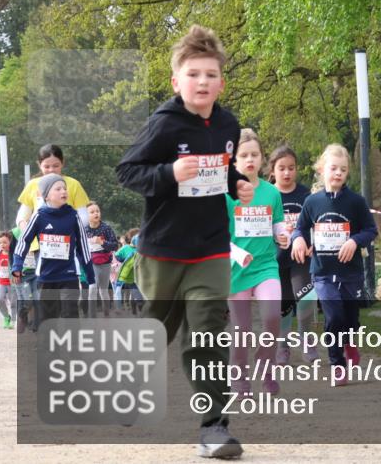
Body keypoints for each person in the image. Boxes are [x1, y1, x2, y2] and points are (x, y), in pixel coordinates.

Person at [116, 24, 253, 459]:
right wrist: (167, 174)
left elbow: (221, 172)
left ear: (221, 82)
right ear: (177, 81)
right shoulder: (163, 124)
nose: (202, 82)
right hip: (163, 250)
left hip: (211, 247)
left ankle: (214, 427)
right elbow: (127, 172)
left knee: (208, 333)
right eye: (193, 74)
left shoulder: (228, 124)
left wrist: (237, 185)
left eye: (210, 74)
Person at [291, 144, 377, 384]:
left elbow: (371, 230)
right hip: (322, 273)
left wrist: (354, 241)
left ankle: (349, 342)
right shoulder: (312, 202)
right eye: (333, 168)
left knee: (350, 318)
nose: (338, 173)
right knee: (334, 316)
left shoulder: (356, 202)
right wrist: (298, 240)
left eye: (343, 169)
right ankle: (337, 363)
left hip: (350, 273)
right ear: (322, 170)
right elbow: (300, 227)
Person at [226, 129, 287, 396]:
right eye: (244, 155)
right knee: (242, 329)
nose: (250, 159)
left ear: (262, 158)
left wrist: (283, 235)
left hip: (265, 266)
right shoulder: (227, 195)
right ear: (233, 160)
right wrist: (238, 254)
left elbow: (277, 224)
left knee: (272, 317)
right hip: (236, 270)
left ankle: (267, 367)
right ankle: (238, 377)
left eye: (254, 154)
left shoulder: (272, 193)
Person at [10, 173, 94, 321]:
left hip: (69, 275)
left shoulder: (73, 216)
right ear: (46, 196)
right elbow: (24, 241)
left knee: (70, 314)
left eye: (64, 188)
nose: (64, 191)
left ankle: (71, 343)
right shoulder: (39, 216)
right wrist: (17, 265)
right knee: (48, 317)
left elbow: (83, 245)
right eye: (58, 189)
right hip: (46, 275)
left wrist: (89, 272)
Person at [268, 145, 318, 364]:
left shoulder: (306, 195)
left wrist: (314, 243)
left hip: (301, 258)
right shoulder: (268, 194)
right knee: (283, 303)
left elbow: (317, 222)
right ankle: (283, 346)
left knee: (306, 297)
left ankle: (308, 341)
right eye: (281, 168)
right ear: (273, 171)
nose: (287, 173)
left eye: (291, 168)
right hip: (275, 259)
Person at [16, 144, 91, 230]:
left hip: (67, 240)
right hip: (38, 241)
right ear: (39, 165)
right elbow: (22, 216)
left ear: (62, 163)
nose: (51, 170)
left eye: (56, 166)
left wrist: (64, 228)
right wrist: (28, 230)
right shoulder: (32, 184)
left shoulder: (74, 184)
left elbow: (84, 217)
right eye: (46, 166)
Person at [84, 202, 119, 316]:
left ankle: (106, 313)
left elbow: (115, 245)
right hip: (92, 262)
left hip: (105, 263)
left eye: (97, 211)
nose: (96, 213)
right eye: (92, 212)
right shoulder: (84, 230)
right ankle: (92, 317)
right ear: (86, 215)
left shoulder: (106, 228)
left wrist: (102, 242)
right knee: (93, 287)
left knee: (103, 290)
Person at [10, 227, 38, 332]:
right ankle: (23, 320)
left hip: (36, 273)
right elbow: (11, 254)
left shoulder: (39, 227)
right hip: (22, 273)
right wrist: (14, 271)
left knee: (37, 298)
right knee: (26, 299)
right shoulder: (16, 232)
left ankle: (35, 323)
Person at [0, 232, 16, 328]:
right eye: (0, 243)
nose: (2, 245)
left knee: (13, 302)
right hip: (1, 282)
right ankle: (6, 317)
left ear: (10, 242)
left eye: (5, 242)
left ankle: (13, 321)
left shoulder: (13, 253)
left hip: (12, 282)